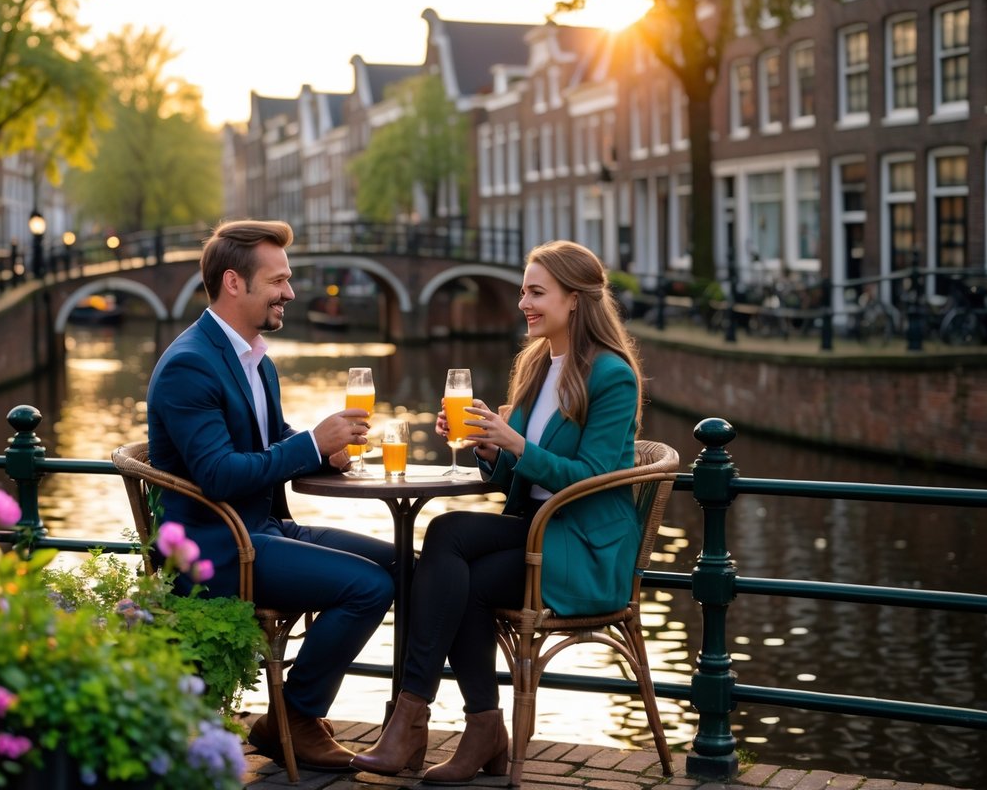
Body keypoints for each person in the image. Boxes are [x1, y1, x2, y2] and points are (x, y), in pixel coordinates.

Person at [352, 240, 644, 783]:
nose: (523, 303)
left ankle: (422, 718)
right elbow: (521, 475)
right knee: (450, 549)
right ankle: (463, 724)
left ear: (575, 300)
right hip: (533, 533)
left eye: (536, 292)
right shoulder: (537, 365)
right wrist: (491, 449)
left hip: (580, 545)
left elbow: (592, 478)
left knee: (453, 558)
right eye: (522, 292)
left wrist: (515, 444)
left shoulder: (612, 376)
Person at [146, 219, 396, 771]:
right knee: (369, 585)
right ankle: (296, 716)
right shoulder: (191, 364)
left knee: (404, 564)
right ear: (234, 283)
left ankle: (403, 717)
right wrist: (310, 443)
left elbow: (268, 439)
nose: (289, 292)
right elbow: (219, 474)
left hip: (261, 529)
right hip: (214, 547)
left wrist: (323, 449)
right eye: (278, 280)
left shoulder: (255, 355)